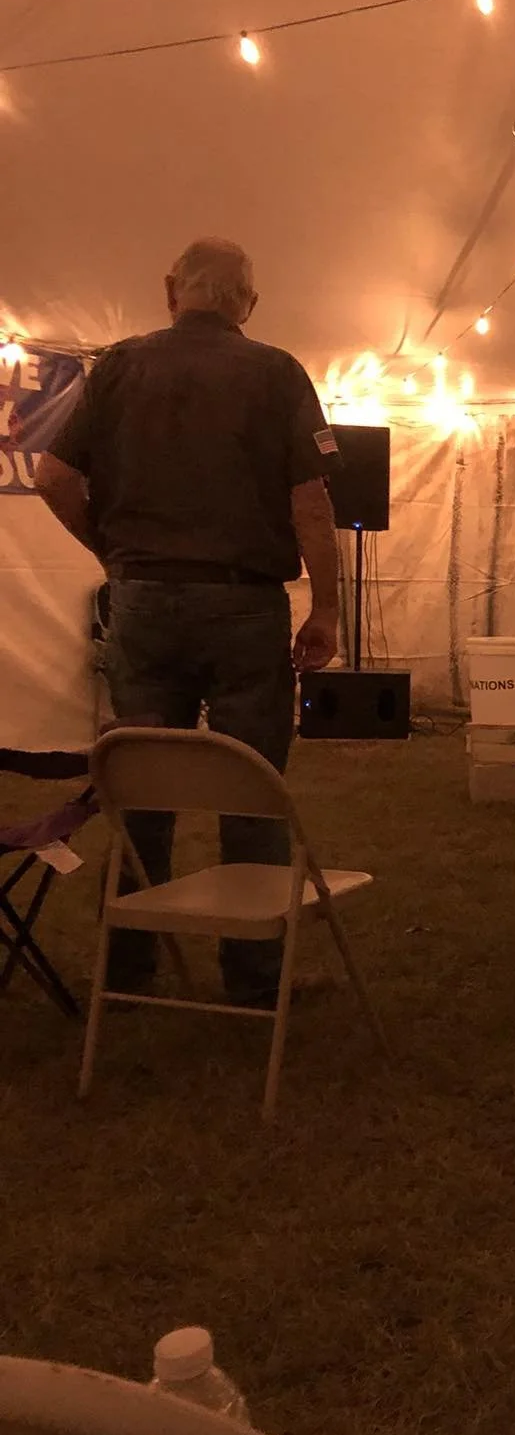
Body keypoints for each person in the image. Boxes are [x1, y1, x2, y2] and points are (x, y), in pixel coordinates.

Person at [35, 238, 341, 1010]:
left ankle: (127, 969)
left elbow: (53, 475)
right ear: (249, 303)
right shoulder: (276, 372)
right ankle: (254, 980)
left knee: (142, 784)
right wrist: (328, 609)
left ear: (172, 288)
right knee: (253, 788)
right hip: (243, 607)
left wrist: (114, 554)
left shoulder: (119, 366)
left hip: (141, 605)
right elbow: (310, 502)